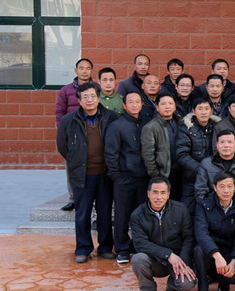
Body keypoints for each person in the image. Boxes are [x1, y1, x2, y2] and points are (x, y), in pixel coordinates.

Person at [56, 82, 118, 263]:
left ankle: (105, 247)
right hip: (82, 175)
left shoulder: (110, 117)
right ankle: (83, 248)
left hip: (105, 174)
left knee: (105, 213)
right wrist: (77, 161)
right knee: (82, 213)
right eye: (85, 97)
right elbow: (62, 146)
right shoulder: (68, 120)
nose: (89, 100)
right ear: (79, 100)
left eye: (92, 96)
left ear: (98, 98)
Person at [130, 177, 196, 291]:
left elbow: (189, 237)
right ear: (148, 194)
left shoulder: (181, 209)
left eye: (163, 193)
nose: (159, 197)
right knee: (138, 259)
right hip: (155, 259)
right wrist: (168, 254)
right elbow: (140, 243)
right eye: (155, 192)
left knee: (187, 284)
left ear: (168, 194)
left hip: (177, 259)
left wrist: (183, 262)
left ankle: (172, 286)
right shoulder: (137, 215)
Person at [193, 171, 235, 291]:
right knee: (198, 250)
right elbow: (201, 233)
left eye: (229, 186)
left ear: (234, 187)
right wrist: (217, 256)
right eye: (222, 186)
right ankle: (202, 289)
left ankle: (223, 282)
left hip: (228, 251)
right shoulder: (204, 204)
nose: (226, 190)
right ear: (214, 187)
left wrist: (233, 262)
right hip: (210, 251)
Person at [104, 91, 147, 264]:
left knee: (141, 214)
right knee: (122, 215)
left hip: (143, 178)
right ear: (124, 105)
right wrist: (116, 175)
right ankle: (122, 248)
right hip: (124, 178)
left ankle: (137, 246)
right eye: (131, 102)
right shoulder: (117, 125)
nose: (135, 105)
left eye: (137, 101)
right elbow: (111, 153)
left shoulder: (146, 123)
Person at [55, 58, 94, 211]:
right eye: (81, 68)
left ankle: (92, 196)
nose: (84, 71)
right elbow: (59, 112)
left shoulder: (96, 88)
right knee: (72, 166)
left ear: (91, 71)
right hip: (73, 133)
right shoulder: (65, 90)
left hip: (92, 130)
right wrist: (62, 132)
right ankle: (73, 197)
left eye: (88, 68)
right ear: (76, 70)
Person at [176, 98, 221, 210]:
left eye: (206, 108)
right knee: (187, 210)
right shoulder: (186, 128)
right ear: (194, 111)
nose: (203, 112)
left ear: (211, 111)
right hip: (191, 177)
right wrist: (200, 169)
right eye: (200, 109)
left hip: (213, 177)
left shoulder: (218, 127)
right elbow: (182, 154)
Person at [194, 130, 235, 205]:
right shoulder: (206, 164)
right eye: (222, 142)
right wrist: (210, 208)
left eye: (229, 142)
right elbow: (200, 191)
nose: (226, 145)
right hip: (210, 207)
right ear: (217, 145)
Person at [141, 93, 180, 196]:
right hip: (164, 174)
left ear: (175, 106)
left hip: (181, 172)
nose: (167, 106)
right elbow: (148, 155)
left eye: (170, 103)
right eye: (163, 104)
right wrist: (156, 176)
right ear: (157, 107)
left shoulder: (181, 123)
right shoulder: (150, 127)